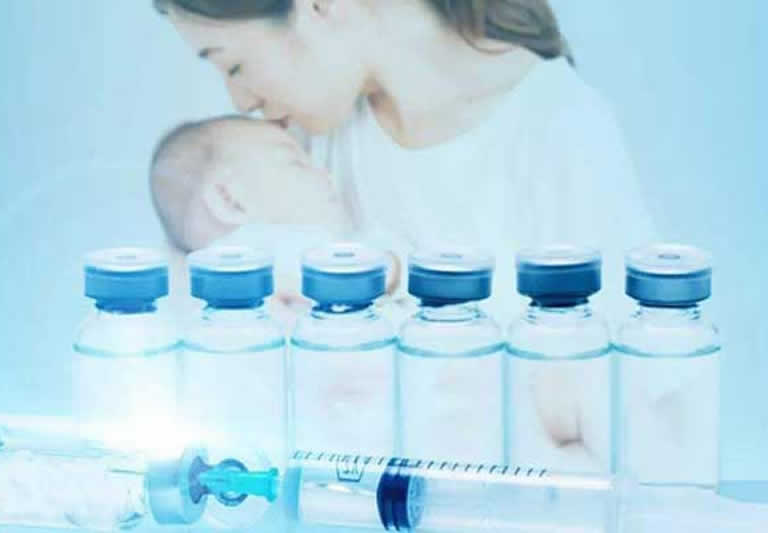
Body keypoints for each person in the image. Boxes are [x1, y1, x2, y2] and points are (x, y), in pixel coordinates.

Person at [153, 0, 657, 473]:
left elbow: (624, 414)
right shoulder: (302, 139)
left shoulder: (559, 127)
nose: (240, 101)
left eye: (234, 65)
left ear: (320, 6)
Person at [150, 115, 407, 327]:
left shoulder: (198, 283)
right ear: (229, 199)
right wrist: (389, 269)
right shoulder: (274, 247)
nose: (325, 173)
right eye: (296, 163)